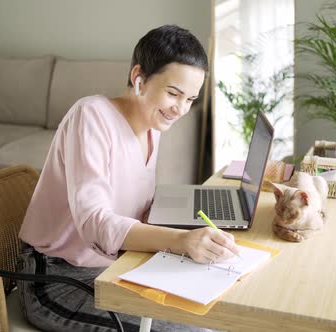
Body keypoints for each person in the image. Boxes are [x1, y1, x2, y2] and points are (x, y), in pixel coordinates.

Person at [17, 25, 240, 332]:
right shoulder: (91, 116)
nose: (180, 109)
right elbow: (94, 221)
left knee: (212, 312)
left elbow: (136, 205)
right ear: (139, 78)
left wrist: (186, 228)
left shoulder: (153, 125)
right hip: (59, 278)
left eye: (190, 99)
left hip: (114, 266)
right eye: (173, 93)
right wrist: (178, 240)